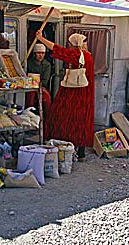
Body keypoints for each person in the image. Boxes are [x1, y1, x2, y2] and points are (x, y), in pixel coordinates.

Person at [36, 31, 94, 162]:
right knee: (82, 120)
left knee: (63, 116)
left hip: (73, 92)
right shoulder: (88, 56)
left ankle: (63, 145)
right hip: (86, 93)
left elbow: (57, 49)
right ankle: (82, 152)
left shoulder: (75, 54)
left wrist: (41, 38)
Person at [26, 43, 52, 113]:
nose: (41, 55)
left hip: (41, 86)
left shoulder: (47, 65)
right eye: (38, 53)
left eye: (42, 53)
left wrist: (37, 83)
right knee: (30, 96)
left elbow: (45, 80)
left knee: (47, 99)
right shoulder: (28, 63)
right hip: (30, 87)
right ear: (34, 54)